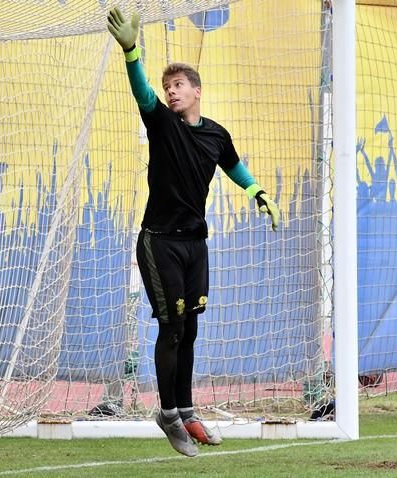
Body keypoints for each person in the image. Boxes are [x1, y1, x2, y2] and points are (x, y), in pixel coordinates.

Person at [107, 7, 280, 457]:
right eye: (168, 88)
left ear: (197, 91)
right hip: (159, 241)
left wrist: (257, 191)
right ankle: (166, 414)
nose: (170, 91)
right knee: (170, 326)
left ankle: (186, 409)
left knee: (191, 328)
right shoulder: (161, 123)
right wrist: (131, 50)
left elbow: (234, 166)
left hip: (194, 243)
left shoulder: (216, 134)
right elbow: (142, 92)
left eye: (178, 85)